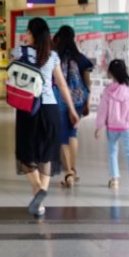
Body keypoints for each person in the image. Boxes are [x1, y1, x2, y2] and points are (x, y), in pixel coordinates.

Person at [12, 18, 79, 218]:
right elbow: (62, 85)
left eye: (27, 32)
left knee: (26, 154)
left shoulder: (19, 52)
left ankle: (38, 189)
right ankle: (40, 202)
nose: (25, 35)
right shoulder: (53, 56)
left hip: (28, 108)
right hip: (50, 108)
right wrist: (71, 109)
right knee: (47, 154)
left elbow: (13, 78)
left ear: (33, 34)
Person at [94, 59, 129, 197]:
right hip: (127, 126)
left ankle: (114, 179)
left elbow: (102, 110)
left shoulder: (108, 91)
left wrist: (99, 126)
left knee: (112, 152)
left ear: (110, 73)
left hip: (112, 127)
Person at [53, 26, 94, 188]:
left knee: (62, 136)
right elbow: (88, 83)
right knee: (73, 134)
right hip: (78, 100)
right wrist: (87, 102)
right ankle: (74, 170)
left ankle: (68, 173)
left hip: (60, 100)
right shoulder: (81, 58)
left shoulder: (55, 57)